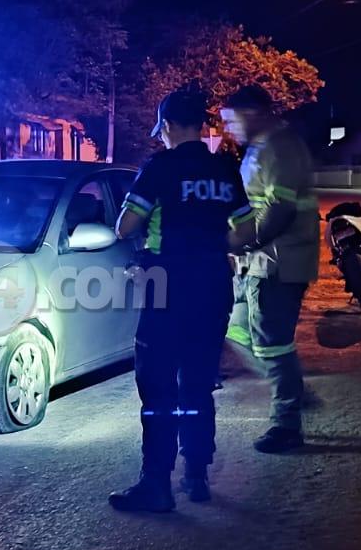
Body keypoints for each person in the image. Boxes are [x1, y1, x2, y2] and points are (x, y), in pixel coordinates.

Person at [110, 87, 256, 512]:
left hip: (167, 288)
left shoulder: (160, 167)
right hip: (212, 286)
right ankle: (196, 473)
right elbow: (247, 230)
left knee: (158, 386)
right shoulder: (224, 168)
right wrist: (212, 248)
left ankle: (156, 484)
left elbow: (125, 226)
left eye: (162, 129)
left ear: (170, 126)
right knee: (198, 381)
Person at [220, 85, 320, 453]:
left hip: (279, 262)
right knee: (237, 330)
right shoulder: (260, 148)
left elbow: (280, 208)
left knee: (273, 343)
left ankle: (286, 425)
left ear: (254, 113)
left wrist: (240, 241)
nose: (228, 128)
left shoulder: (281, 146)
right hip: (259, 263)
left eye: (232, 120)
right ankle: (291, 390)